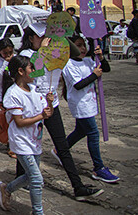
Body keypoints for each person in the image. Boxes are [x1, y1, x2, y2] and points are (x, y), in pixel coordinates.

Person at [17, 24, 103, 201]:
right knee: (28, 144)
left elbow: (73, 51)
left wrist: (60, 34)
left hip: (52, 104)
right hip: (33, 106)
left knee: (62, 146)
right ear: (31, 38)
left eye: (47, 35)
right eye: (40, 36)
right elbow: (34, 72)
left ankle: (78, 187)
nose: (45, 39)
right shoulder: (25, 56)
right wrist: (41, 51)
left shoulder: (56, 52)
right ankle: (21, 178)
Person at [0, 55, 54, 214]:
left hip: (35, 140)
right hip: (21, 142)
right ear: (21, 71)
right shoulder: (13, 94)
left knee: (30, 176)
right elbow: (19, 122)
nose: (34, 72)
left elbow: (48, 113)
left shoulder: (35, 90)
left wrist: (49, 102)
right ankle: (38, 211)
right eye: (31, 68)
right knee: (37, 179)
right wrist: (41, 116)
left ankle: (7, 189)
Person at [62, 36, 119, 183]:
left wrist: (100, 57)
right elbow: (78, 85)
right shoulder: (68, 64)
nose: (82, 49)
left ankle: (61, 150)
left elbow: (105, 68)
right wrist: (94, 75)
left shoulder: (88, 61)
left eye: (83, 45)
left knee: (80, 131)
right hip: (80, 104)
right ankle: (98, 167)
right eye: (78, 46)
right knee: (93, 133)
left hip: (90, 102)